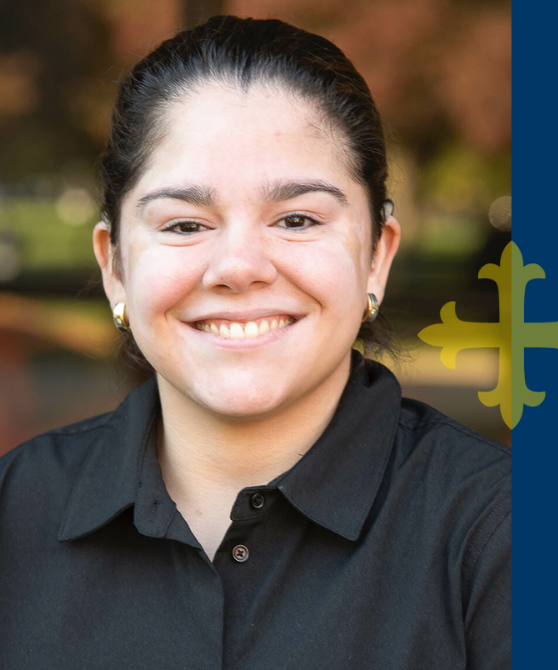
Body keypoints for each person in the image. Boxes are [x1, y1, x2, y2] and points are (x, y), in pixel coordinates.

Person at [0, 16, 510, 669]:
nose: (239, 266)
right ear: (115, 266)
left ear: (377, 257)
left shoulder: (500, 534)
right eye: (185, 224)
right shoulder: (16, 512)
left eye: (297, 219)